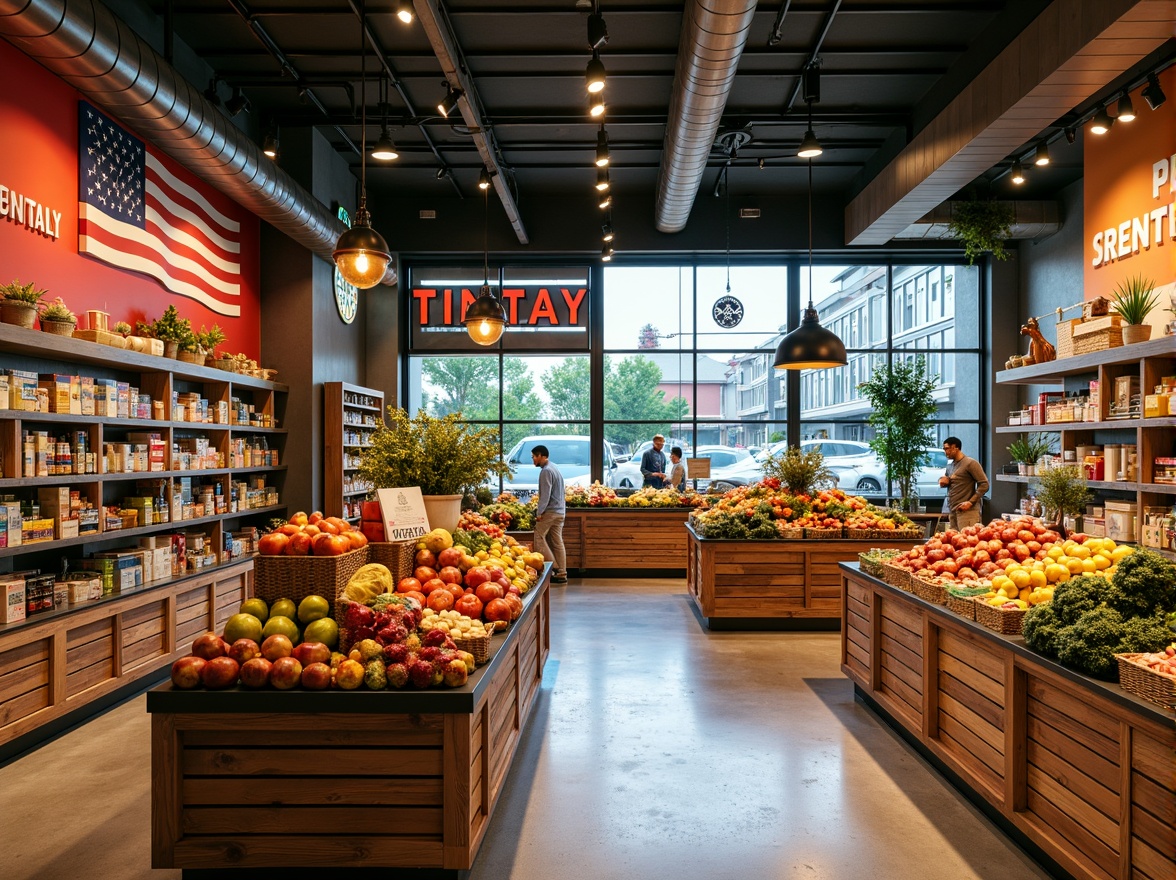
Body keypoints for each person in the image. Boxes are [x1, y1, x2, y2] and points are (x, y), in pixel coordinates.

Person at [531, 444, 568, 585]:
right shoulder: (555, 468)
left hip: (550, 512)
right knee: (557, 541)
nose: (533, 460)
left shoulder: (546, 471)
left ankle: (552, 569)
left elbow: (545, 495)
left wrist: (539, 512)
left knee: (538, 536)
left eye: (534, 456)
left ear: (541, 455)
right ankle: (562, 572)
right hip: (560, 511)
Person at [938, 436, 989, 531]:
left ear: (955, 447)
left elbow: (984, 484)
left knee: (968, 541)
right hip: (953, 511)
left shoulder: (970, 463)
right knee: (955, 541)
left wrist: (970, 502)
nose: (945, 452)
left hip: (968, 512)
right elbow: (948, 480)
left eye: (947, 449)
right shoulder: (950, 466)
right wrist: (943, 481)